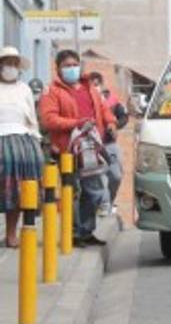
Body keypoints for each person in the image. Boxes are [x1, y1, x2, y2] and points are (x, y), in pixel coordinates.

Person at [38, 50, 115, 247]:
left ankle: (85, 230)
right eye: (67, 65)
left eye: (74, 64)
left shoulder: (90, 87)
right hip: (66, 149)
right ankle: (72, 233)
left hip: (90, 147)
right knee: (69, 192)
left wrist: (110, 123)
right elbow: (48, 119)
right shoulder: (52, 91)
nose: (72, 68)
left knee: (95, 191)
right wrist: (76, 123)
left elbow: (103, 108)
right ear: (58, 69)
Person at [0, 46, 42, 249]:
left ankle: (11, 234)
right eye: (7, 63)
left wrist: (36, 143)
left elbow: (32, 121)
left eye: (14, 64)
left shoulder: (25, 89)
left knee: (16, 192)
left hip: (22, 143)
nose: (10, 67)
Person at [88, 71, 129, 215]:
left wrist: (115, 125)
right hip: (90, 145)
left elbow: (124, 117)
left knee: (116, 175)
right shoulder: (85, 100)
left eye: (97, 83)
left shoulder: (111, 100)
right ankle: (103, 205)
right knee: (96, 176)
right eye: (92, 83)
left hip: (109, 143)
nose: (95, 86)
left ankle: (109, 201)